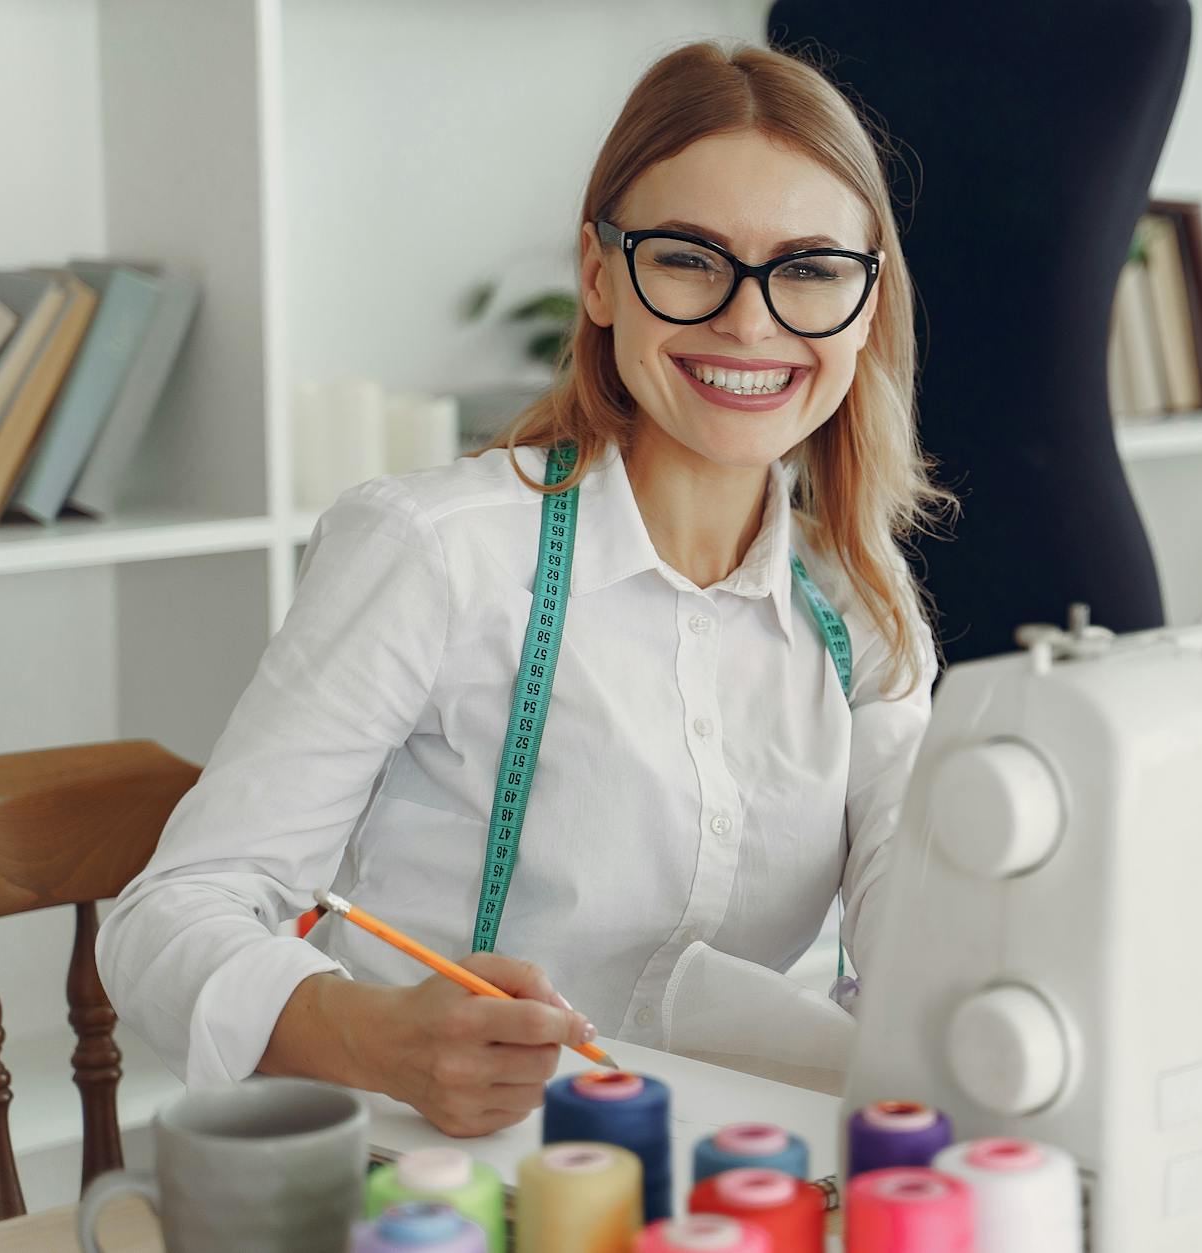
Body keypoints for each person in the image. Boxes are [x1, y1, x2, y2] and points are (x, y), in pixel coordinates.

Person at [98, 39, 950, 1138]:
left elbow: (917, 939)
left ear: (867, 303)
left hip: (719, 1180)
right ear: (598, 278)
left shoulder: (863, 610)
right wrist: (378, 1036)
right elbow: (167, 920)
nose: (751, 320)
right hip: (436, 1178)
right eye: (688, 257)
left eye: (810, 268)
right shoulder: (437, 554)